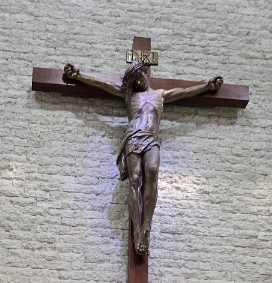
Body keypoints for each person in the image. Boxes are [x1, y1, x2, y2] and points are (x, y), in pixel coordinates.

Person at [63, 60, 223, 256]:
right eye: (134, 78)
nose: (138, 80)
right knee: (135, 178)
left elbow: (184, 92)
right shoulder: (128, 95)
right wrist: (79, 76)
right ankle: (137, 231)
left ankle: (146, 226)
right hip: (133, 138)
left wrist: (206, 87)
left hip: (150, 138)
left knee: (152, 170)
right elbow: (103, 85)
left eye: (140, 75)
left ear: (145, 75)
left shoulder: (160, 95)